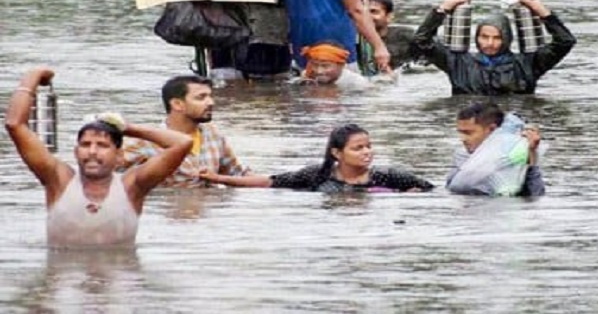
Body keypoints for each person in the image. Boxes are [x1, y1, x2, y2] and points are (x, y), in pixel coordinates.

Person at [4, 67, 193, 247]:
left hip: (121, 278)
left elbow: (182, 143)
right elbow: (15, 125)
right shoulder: (58, 180)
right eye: (85, 145)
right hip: (64, 277)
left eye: (102, 145)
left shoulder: (133, 186)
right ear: (76, 152)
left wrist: (127, 127)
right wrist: (33, 76)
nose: (92, 151)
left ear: (119, 155)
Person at [413, 0, 577, 95]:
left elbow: (565, 41)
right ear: (476, 37)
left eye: (497, 38)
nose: (490, 43)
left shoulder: (528, 63)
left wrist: (539, 9)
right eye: (484, 37)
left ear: (507, 39)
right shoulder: (458, 62)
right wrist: (444, 8)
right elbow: (422, 40)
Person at [198, 124, 435, 193]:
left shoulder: (388, 176)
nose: (367, 152)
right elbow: (267, 182)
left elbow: (431, 190)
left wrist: (409, 198)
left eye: (369, 146)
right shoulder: (316, 176)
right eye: (358, 148)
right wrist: (217, 178)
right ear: (337, 153)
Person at [120, 75, 248, 188]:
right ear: (177, 104)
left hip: (208, 212)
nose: (211, 102)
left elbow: (237, 174)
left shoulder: (213, 135)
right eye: (201, 98)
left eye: (210, 96)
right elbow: (106, 176)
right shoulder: (146, 142)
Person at [446, 102, 546, 197]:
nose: (462, 139)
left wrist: (532, 154)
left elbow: (535, 197)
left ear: (492, 129)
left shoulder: (510, 159)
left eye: (468, 133)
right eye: (460, 133)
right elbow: (450, 190)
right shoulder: (463, 157)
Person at [366, 0, 425, 71]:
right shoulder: (355, 42)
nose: (367, 17)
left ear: (389, 16)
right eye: (364, 12)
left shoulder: (406, 36)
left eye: (374, 12)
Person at [295, 40, 373, 89]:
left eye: (325, 66)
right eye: (315, 65)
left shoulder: (357, 83)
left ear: (341, 65)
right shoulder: (307, 76)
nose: (319, 71)